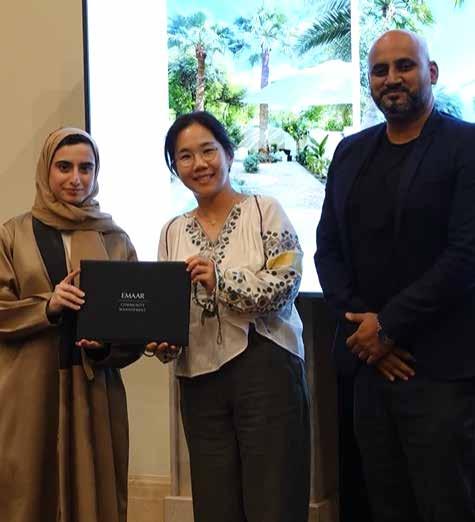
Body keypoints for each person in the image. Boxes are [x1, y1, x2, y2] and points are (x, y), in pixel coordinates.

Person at [315, 29, 475, 521]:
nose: (391, 78)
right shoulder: (350, 152)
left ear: (431, 72)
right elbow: (328, 248)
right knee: (384, 504)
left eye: (404, 66)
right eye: (379, 71)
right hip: (369, 366)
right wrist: (367, 334)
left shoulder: (466, 146)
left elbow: (465, 254)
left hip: (440, 369)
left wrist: (387, 326)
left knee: (446, 503)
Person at [147, 111, 310, 522]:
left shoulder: (265, 210)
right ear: (175, 167)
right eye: (185, 156)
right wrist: (161, 341)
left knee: (273, 498)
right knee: (214, 503)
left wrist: (221, 280)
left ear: (229, 154)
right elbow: (168, 307)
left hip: (266, 368)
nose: (199, 164)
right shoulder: (171, 231)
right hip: (198, 379)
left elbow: (286, 283)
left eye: (208, 151)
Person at [0, 127, 142, 522]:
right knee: (28, 489)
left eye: (86, 167)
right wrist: (47, 305)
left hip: (94, 390)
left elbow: (136, 321)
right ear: (46, 170)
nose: (76, 178)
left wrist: (106, 344)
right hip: (30, 388)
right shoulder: (13, 234)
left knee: (95, 491)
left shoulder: (115, 239)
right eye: (64, 167)